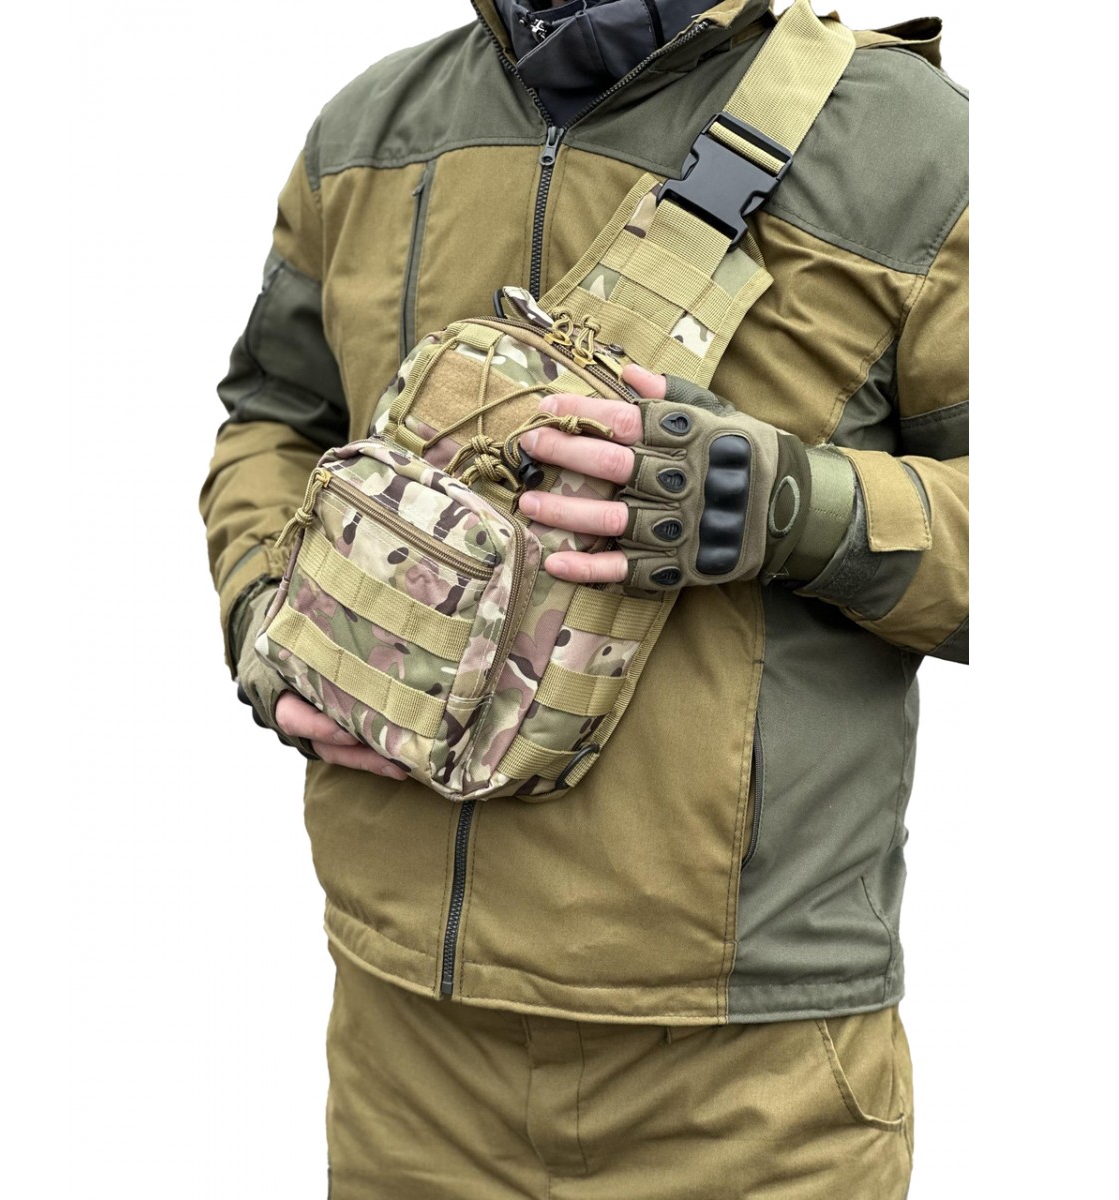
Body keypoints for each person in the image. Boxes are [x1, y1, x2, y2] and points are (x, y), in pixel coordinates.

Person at [200, 1, 968, 1195]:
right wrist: (270, 612)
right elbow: (274, 419)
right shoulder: (370, 130)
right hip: (407, 1050)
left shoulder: (916, 149)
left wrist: (799, 509)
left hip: (745, 1084)